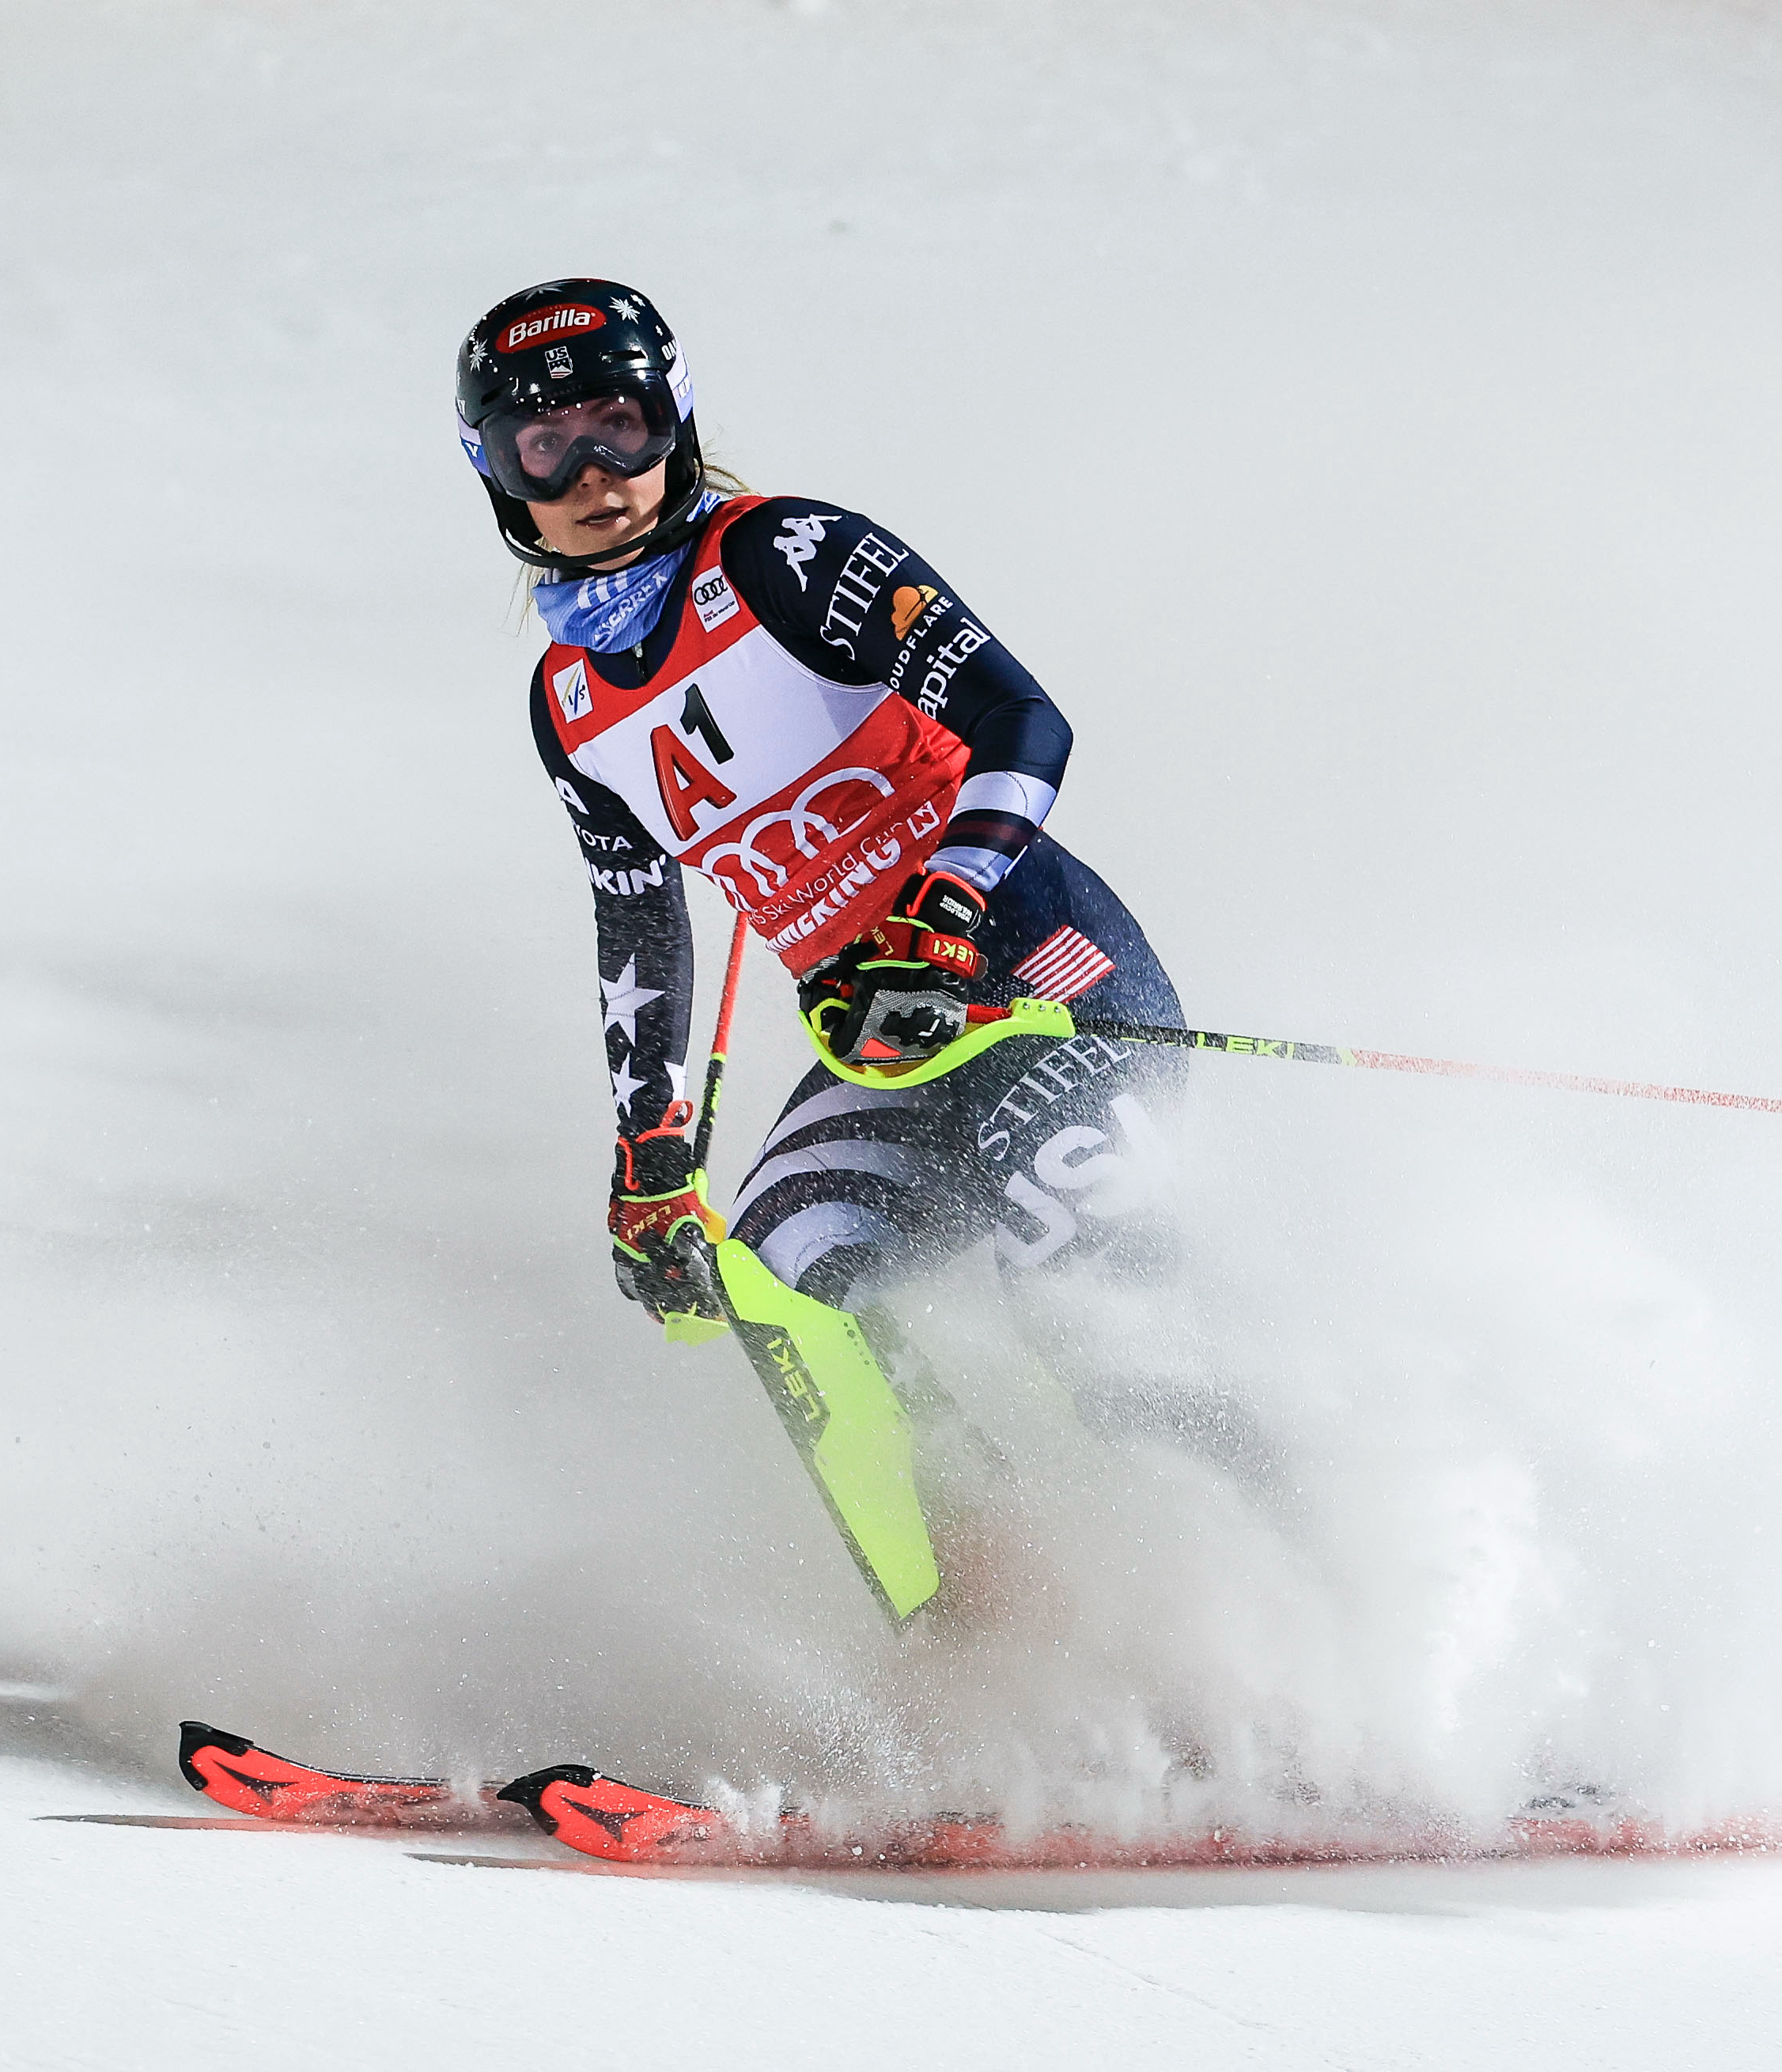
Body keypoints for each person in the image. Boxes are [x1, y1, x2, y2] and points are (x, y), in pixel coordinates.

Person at [456, 278, 1233, 1498]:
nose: (595, 475)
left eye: (620, 424)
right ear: (498, 475)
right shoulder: (568, 705)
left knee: (1100, 1336)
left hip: (1040, 983)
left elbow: (1022, 721)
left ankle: (1315, 1550)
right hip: (884, 1040)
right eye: (544, 448)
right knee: (789, 1265)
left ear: (673, 419)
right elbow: (640, 924)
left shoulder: (786, 554)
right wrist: (649, 1159)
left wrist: (944, 909)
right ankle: (987, 1563)